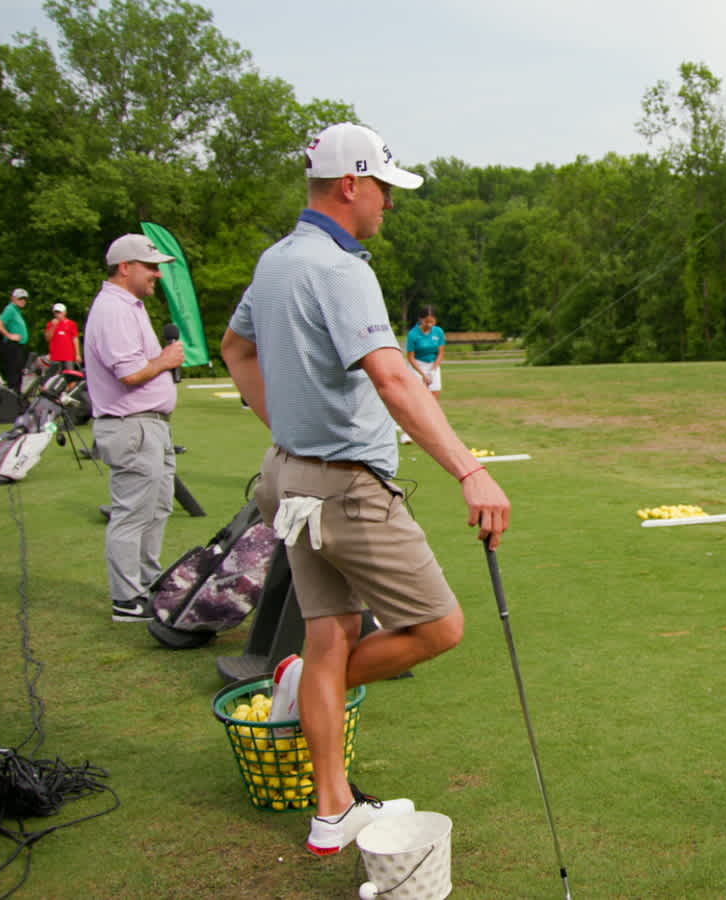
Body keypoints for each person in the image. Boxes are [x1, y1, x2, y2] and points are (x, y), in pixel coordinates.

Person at [220, 122, 511, 857]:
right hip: (347, 489)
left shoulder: (276, 260)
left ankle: (333, 810)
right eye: (383, 187)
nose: (388, 203)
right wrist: (471, 470)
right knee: (439, 628)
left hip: (286, 478)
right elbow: (392, 376)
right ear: (350, 184)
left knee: (330, 636)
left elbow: (235, 347)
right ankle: (296, 680)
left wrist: (280, 420)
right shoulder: (340, 269)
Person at [84, 234, 186, 622]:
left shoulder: (129, 306)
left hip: (147, 426)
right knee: (132, 514)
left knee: (157, 508)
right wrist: (165, 359)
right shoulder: (114, 309)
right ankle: (127, 599)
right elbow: (128, 374)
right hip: (131, 427)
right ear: (125, 267)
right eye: (150, 266)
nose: (157, 274)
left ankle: (147, 584)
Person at [398, 307, 446, 444]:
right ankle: (407, 433)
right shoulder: (413, 334)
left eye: (432, 322)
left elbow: (441, 353)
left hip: (433, 365)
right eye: (427, 322)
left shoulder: (439, 332)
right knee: (416, 401)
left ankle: (431, 432)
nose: (430, 324)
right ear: (421, 320)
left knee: (434, 400)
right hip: (417, 366)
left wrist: (433, 369)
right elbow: (410, 357)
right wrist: (423, 374)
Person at [0, 288, 30, 392]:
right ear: (13, 298)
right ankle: (13, 398)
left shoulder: (17, 311)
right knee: (14, 374)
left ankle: (17, 398)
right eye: (20, 298)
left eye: (25, 299)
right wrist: (9, 335)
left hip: (18, 346)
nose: (23, 301)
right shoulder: (10, 309)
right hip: (12, 345)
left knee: (18, 373)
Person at [44, 302, 83, 368]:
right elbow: (47, 339)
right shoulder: (50, 324)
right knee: (55, 376)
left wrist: (77, 354)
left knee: (69, 375)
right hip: (55, 356)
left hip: (68, 356)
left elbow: (75, 339)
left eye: (59, 312)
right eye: (55, 312)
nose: (57, 315)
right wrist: (53, 327)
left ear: (64, 313)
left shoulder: (71, 324)